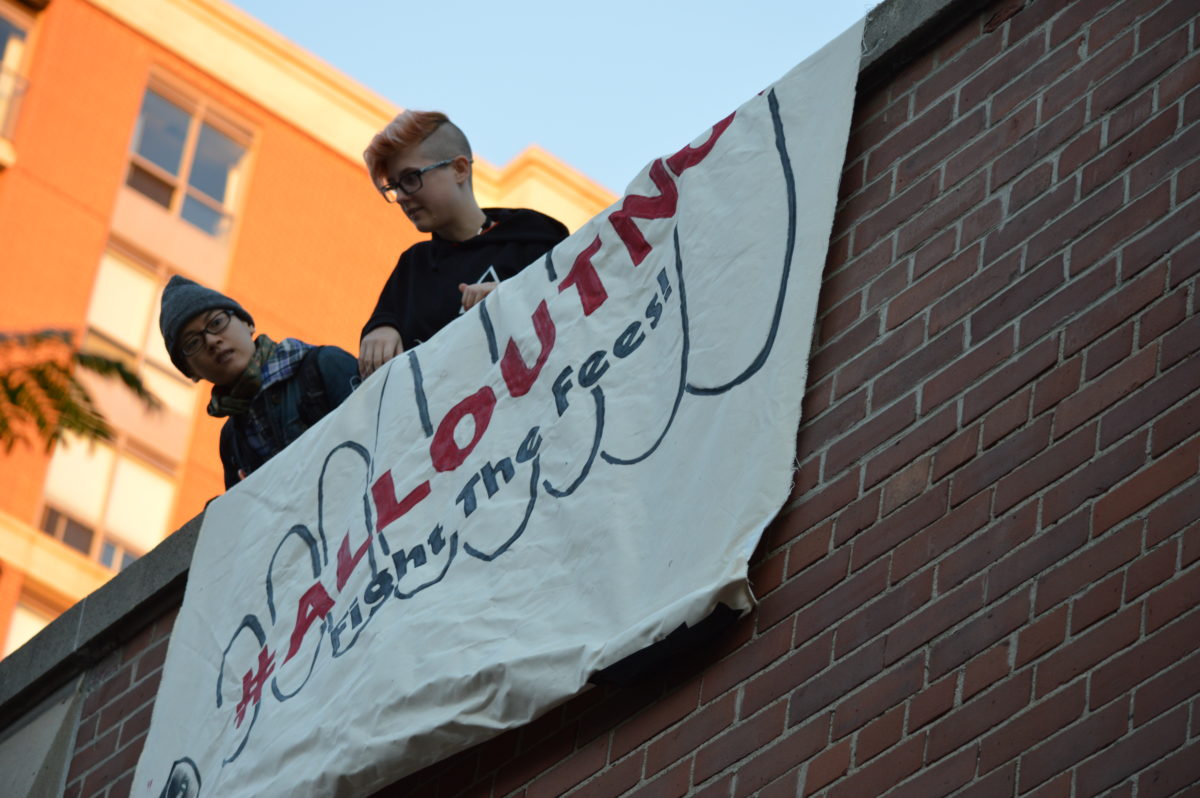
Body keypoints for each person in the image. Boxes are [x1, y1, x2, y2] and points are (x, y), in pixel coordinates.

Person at [358, 110, 570, 378]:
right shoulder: (413, 267)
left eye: (411, 178)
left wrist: (514, 296)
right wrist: (380, 329)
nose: (400, 196)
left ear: (459, 169)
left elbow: (576, 309)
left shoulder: (535, 235)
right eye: (394, 186)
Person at [159, 275, 359, 489]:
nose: (211, 341)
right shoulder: (232, 441)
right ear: (191, 372)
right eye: (193, 343)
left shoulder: (324, 365)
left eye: (216, 322)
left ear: (247, 323)